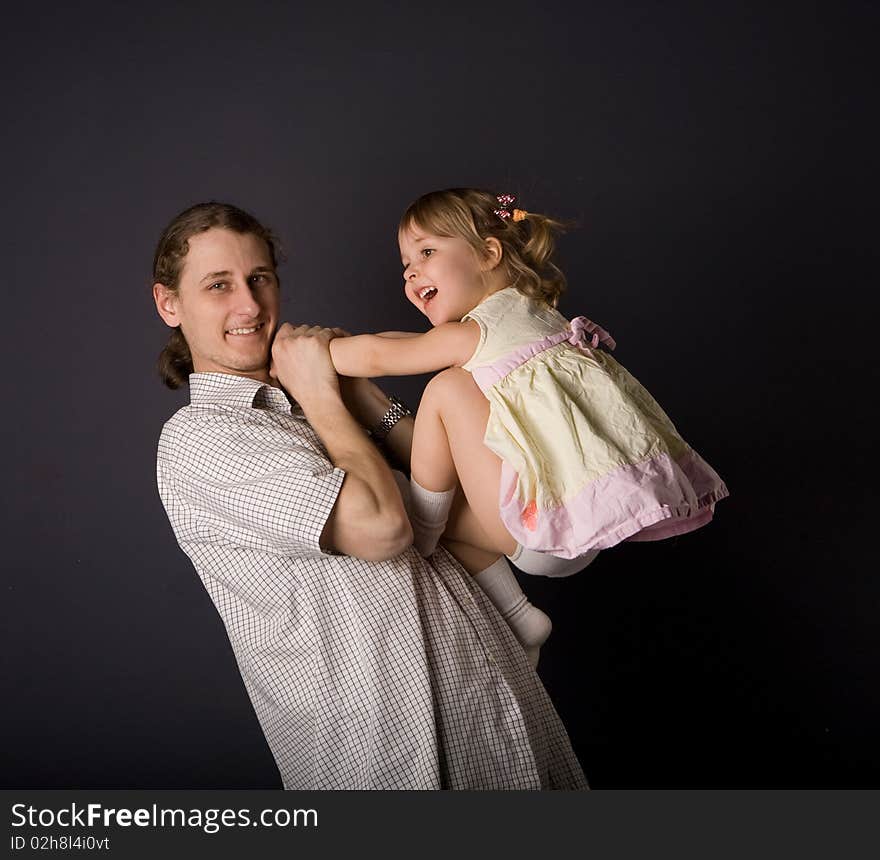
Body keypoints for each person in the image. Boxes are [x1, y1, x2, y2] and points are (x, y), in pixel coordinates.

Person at [151, 200, 588, 790]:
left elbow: (458, 499)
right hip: (397, 758)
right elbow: (385, 530)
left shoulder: (317, 402)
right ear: (169, 304)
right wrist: (326, 398)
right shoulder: (200, 440)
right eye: (218, 286)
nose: (250, 306)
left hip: (503, 713)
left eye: (260, 278)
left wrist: (361, 396)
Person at [326, 188, 730, 657]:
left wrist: (318, 353)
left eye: (428, 252)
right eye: (405, 264)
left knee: (446, 389)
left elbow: (383, 354)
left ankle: (423, 528)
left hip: (535, 529)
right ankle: (522, 619)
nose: (412, 271)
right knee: (463, 513)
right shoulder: (528, 313)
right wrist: (354, 343)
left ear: (488, 253)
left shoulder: (480, 332)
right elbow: (396, 341)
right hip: (579, 522)